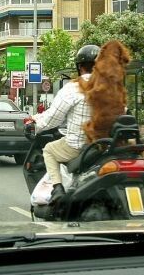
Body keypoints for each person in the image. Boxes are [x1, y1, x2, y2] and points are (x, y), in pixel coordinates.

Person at [29, 44, 100, 204]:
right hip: (104, 145)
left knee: (49, 150)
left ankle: (58, 189)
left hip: (78, 146)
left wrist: (35, 124)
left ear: (80, 67)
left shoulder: (73, 88)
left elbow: (53, 118)